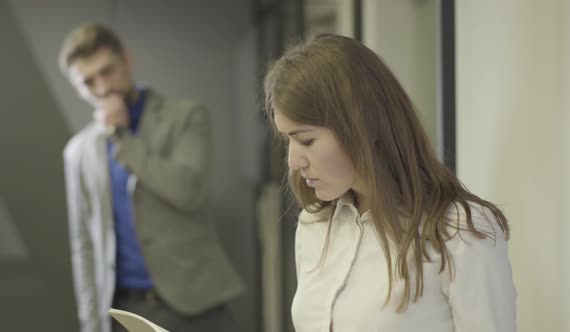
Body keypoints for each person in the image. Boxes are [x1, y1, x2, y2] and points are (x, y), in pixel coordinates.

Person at [263, 34, 517, 332]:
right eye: (287, 140)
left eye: (306, 140)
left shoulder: (460, 233)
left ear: (363, 125)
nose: (294, 161)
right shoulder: (315, 224)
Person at [59, 23, 244, 332]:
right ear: (77, 88)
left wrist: (121, 136)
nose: (102, 88)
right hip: (124, 310)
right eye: (88, 81)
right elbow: (83, 242)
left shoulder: (186, 117)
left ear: (127, 60)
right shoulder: (78, 152)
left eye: (108, 71)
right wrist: (91, 322)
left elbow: (188, 191)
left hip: (196, 305)